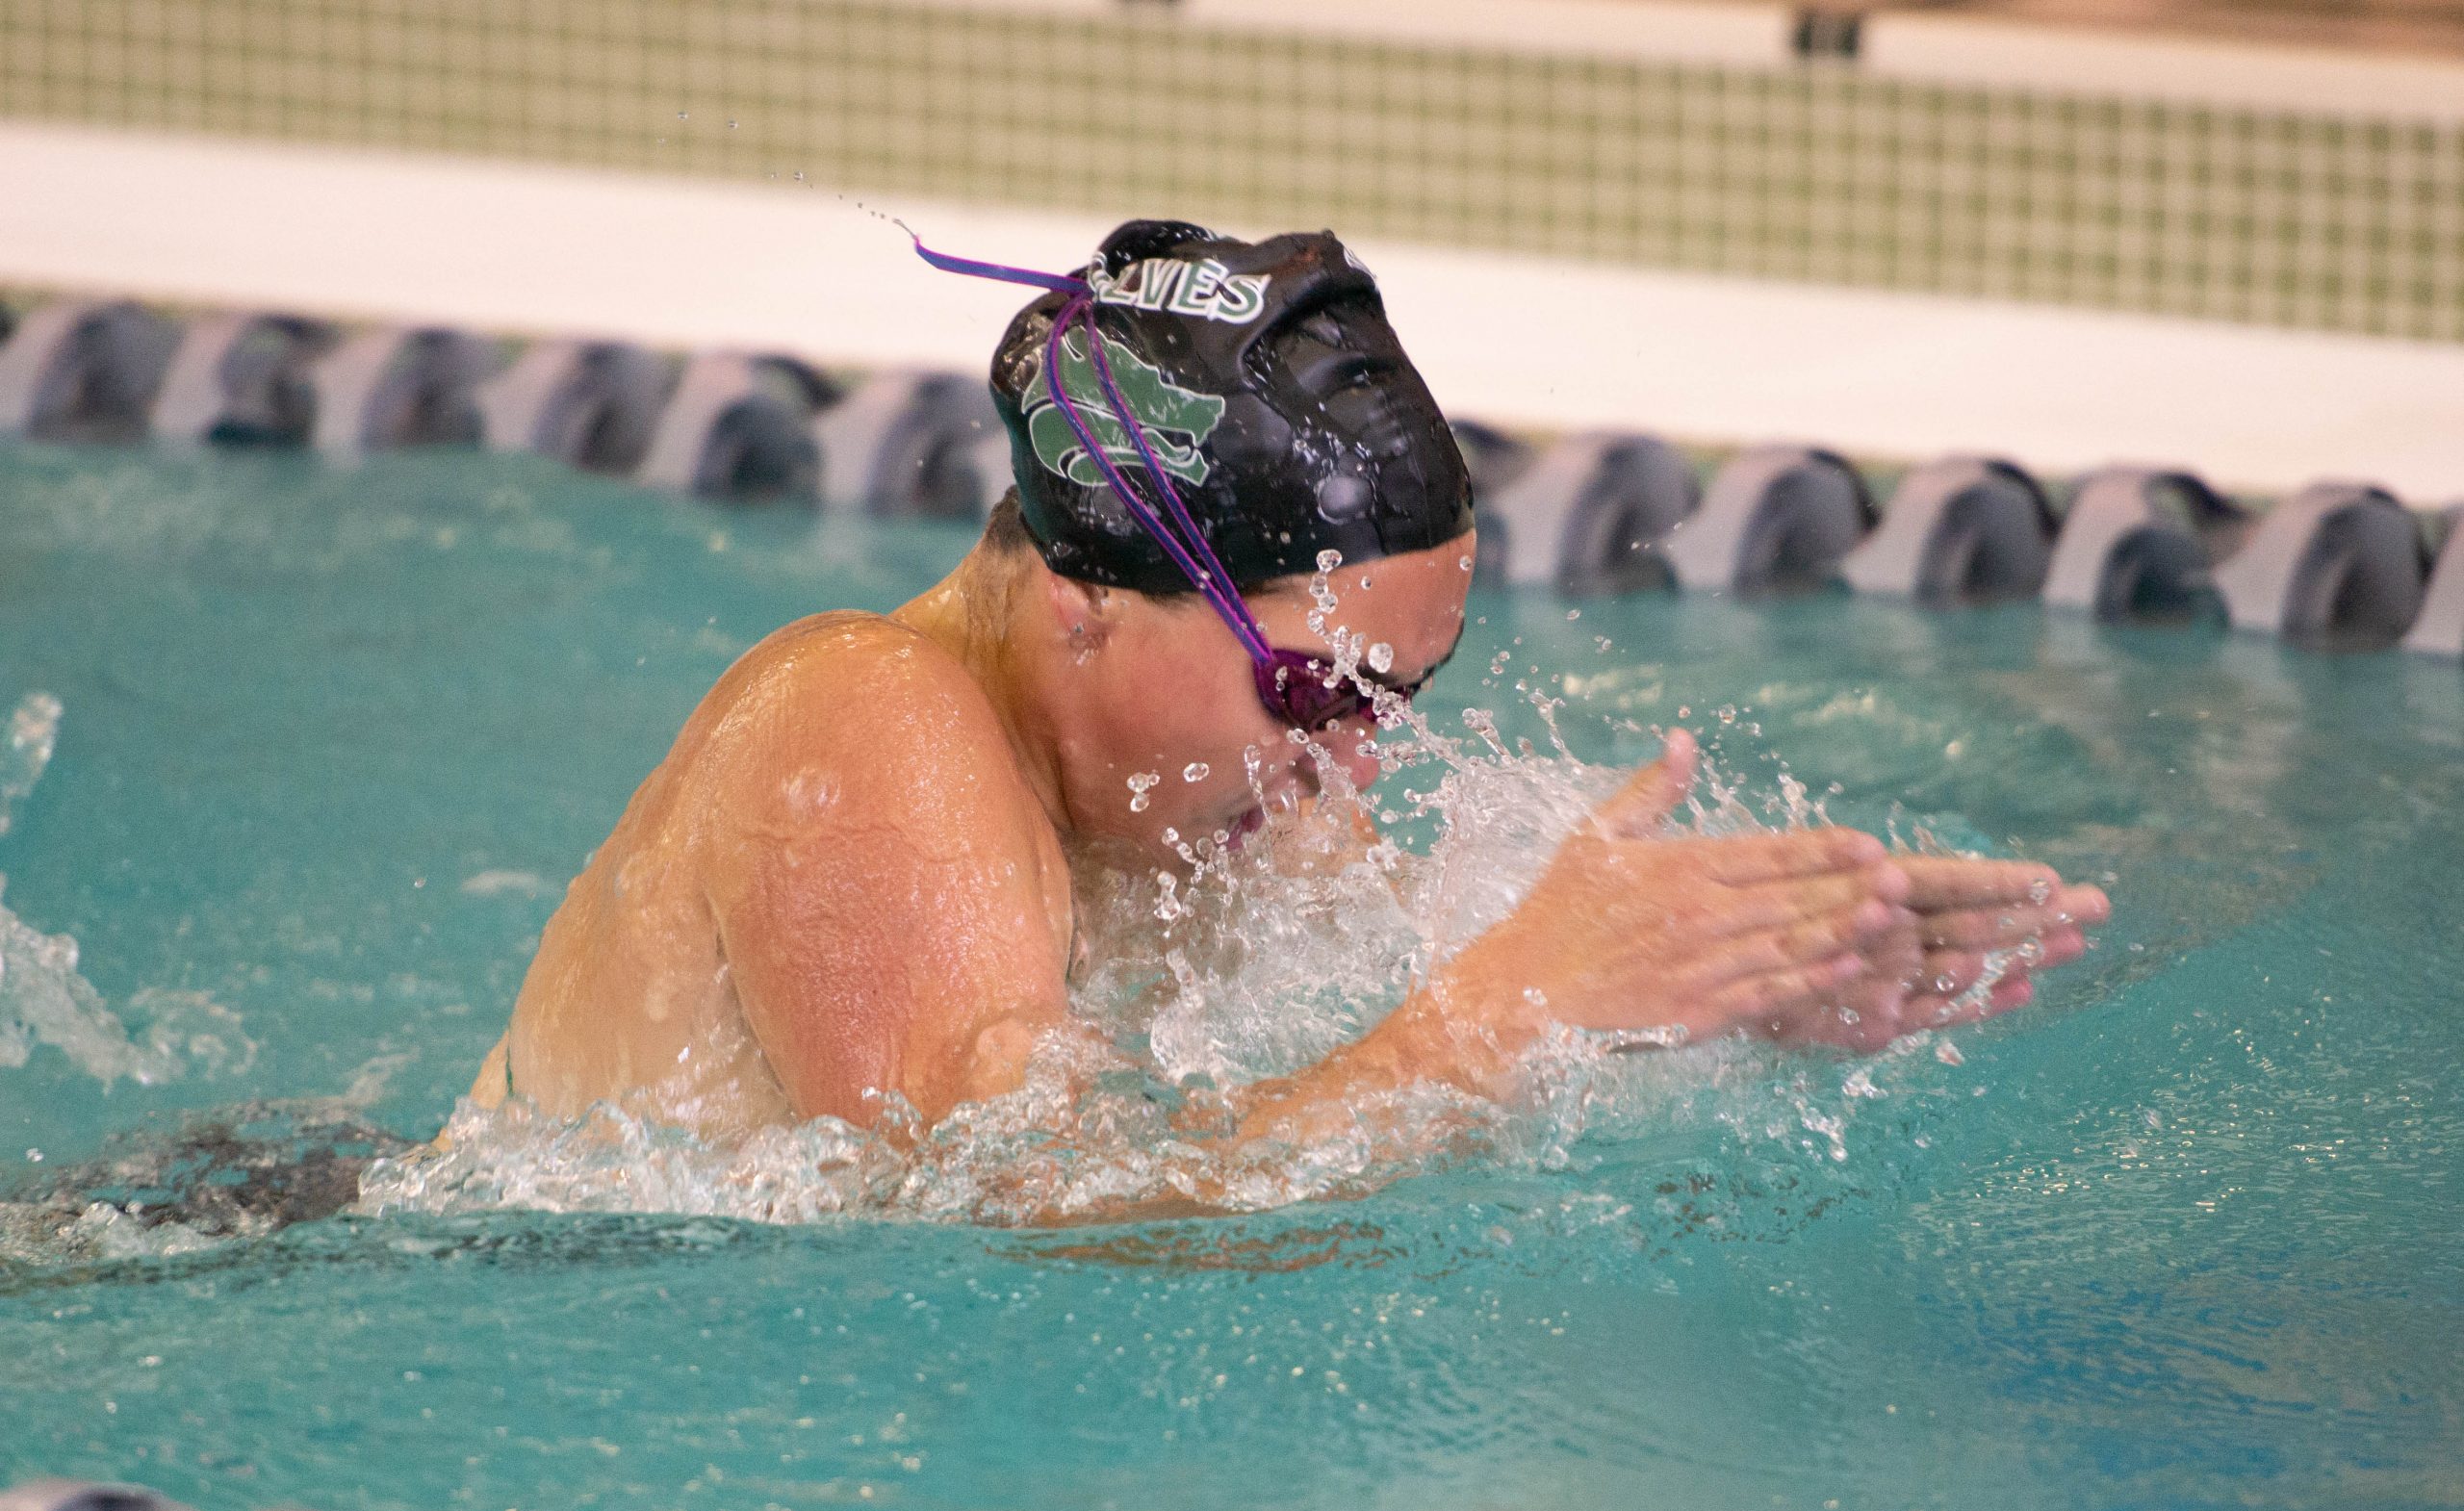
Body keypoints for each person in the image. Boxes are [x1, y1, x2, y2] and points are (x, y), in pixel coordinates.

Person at [469, 219, 2107, 1172]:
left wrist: (1709, 989)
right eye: (1317, 688)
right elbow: (1012, 1216)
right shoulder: (866, 718)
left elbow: (1296, 1120)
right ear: (1086, 597)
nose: (1356, 762)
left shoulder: (1191, 800)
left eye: (1402, 698)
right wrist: (1501, 1014)